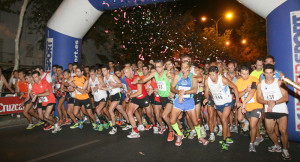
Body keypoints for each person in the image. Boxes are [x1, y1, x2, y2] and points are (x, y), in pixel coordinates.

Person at [135, 60, 176, 141]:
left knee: (164, 115)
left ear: (163, 67)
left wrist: (173, 91)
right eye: (156, 67)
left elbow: (177, 82)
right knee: (170, 116)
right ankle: (179, 130)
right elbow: (144, 80)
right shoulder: (154, 74)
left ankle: (171, 131)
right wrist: (136, 82)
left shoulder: (168, 73)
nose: (158, 69)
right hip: (162, 97)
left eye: (159, 67)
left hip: (170, 97)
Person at [256, 64, 290, 160]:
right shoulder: (260, 84)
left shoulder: (279, 82)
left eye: (271, 73)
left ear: (274, 73)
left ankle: (285, 149)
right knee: (270, 131)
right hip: (268, 110)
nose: (269, 75)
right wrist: (267, 102)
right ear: (264, 73)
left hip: (281, 108)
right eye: (267, 73)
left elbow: (286, 97)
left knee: (283, 130)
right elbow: (259, 98)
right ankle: (277, 145)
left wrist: (274, 102)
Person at [170, 62, 209, 146]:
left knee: (195, 122)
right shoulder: (178, 76)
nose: (184, 68)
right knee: (172, 121)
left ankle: (199, 137)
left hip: (189, 101)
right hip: (179, 100)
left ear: (189, 68)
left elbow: (195, 90)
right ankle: (180, 135)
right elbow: (172, 88)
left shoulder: (193, 77)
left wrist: (184, 92)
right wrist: (179, 92)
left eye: (185, 67)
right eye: (182, 67)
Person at [203, 66, 240, 150]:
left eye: (214, 75)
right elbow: (206, 91)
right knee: (225, 121)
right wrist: (206, 98)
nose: (212, 77)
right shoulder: (207, 80)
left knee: (223, 120)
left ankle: (224, 141)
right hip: (218, 103)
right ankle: (229, 136)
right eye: (210, 75)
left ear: (218, 74)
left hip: (227, 102)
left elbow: (235, 87)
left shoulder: (223, 79)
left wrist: (237, 101)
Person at [235, 64, 264, 152]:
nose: (246, 76)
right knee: (253, 125)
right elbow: (238, 95)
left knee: (252, 125)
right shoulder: (238, 82)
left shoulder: (253, 79)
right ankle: (259, 137)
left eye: (247, 73)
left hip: (256, 105)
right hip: (247, 107)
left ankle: (251, 144)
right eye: (243, 74)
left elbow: (252, 92)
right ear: (239, 73)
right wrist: (245, 91)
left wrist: (243, 103)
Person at [124, 67, 158, 138]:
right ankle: (136, 132)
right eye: (124, 73)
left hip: (144, 97)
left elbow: (139, 92)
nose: (125, 74)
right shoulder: (126, 79)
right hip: (136, 98)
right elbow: (129, 88)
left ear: (131, 72)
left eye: (126, 72)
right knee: (129, 112)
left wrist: (130, 97)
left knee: (150, 115)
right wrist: (128, 93)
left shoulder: (138, 78)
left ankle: (155, 125)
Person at [102, 65, 130, 135]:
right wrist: (101, 88)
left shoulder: (113, 76)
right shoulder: (104, 78)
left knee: (110, 110)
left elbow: (121, 85)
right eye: (102, 71)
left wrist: (115, 85)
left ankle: (114, 127)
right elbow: (108, 88)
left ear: (108, 70)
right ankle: (129, 123)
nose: (103, 72)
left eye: (104, 70)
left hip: (117, 94)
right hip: (112, 96)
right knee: (121, 111)